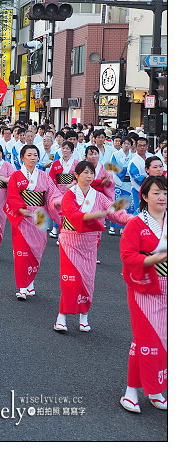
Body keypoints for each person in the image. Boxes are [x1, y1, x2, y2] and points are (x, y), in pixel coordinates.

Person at [54, 161, 133, 333]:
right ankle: (62, 316)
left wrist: (131, 219)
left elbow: (114, 212)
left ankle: (84, 316)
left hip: (89, 244)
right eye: (85, 173)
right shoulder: (70, 195)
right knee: (70, 281)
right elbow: (73, 215)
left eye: (91, 173)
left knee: (87, 281)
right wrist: (95, 214)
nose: (89, 176)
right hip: (70, 242)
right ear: (76, 175)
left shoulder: (98, 196)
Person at [118, 175, 167, 413]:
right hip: (145, 287)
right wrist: (153, 259)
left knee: (166, 340)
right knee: (146, 340)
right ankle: (131, 390)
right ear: (145, 197)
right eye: (156, 193)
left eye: (165, 193)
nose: (162, 197)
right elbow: (127, 256)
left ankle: (156, 389)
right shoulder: (136, 224)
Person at [5, 145, 62, 300]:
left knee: (36, 250)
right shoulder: (16, 175)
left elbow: (52, 194)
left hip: (39, 216)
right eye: (29, 155)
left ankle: (30, 283)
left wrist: (57, 202)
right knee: (22, 252)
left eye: (35, 155)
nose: (32, 158)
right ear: (22, 157)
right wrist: (20, 209)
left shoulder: (44, 176)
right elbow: (11, 195)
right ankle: (22, 287)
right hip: (22, 217)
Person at [48, 140, 78, 238]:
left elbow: (79, 177)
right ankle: (55, 228)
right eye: (63, 148)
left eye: (67, 149)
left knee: (67, 211)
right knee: (57, 210)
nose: (65, 150)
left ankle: (64, 232)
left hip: (71, 190)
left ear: (72, 151)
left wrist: (72, 184)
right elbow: (51, 177)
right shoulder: (56, 163)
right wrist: (54, 189)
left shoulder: (76, 163)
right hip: (58, 189)